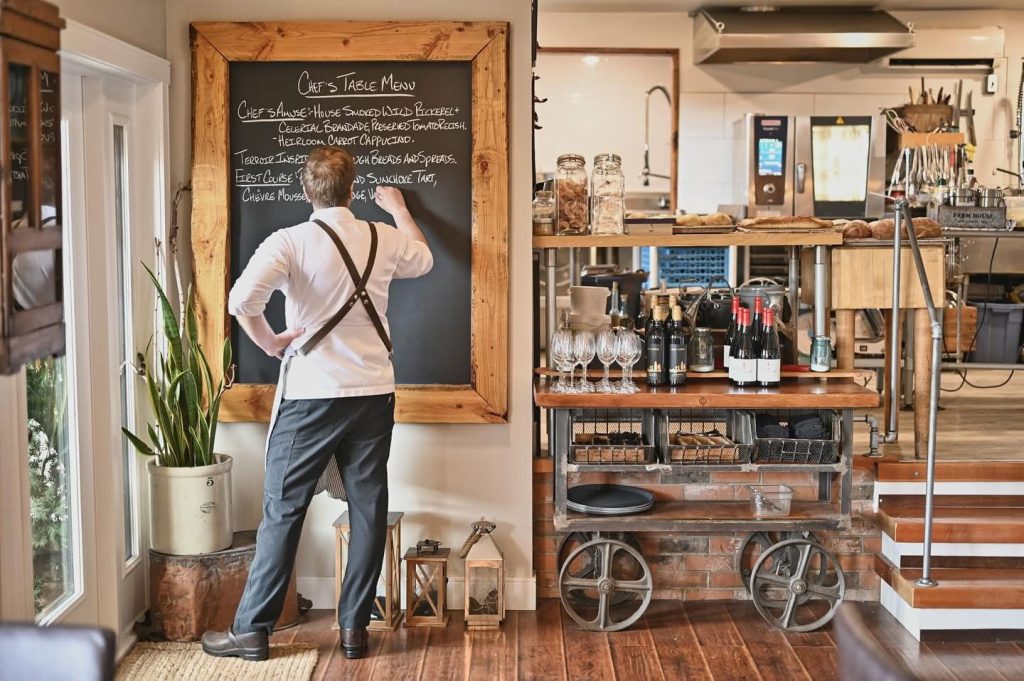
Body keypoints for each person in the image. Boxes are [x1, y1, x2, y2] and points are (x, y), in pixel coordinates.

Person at [202, 146, 432, 662]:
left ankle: (252, 631)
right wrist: (399, 209)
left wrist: (270, 343)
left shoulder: (289, 241)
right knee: (368, 508)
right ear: (352, 189)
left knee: (283, 509)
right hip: (373, 391)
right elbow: (425, 258)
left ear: (307, 192)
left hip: (311, 395)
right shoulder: (382, 236)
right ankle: (354, 629)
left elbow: (242, 301)